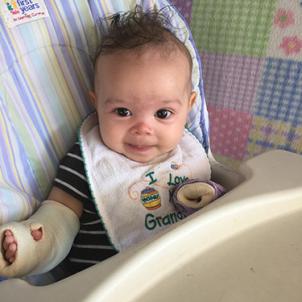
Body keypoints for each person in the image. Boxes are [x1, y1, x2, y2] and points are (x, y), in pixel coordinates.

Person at [0, 5, 223, 278]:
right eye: (122, 112)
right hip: (106, 286)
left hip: (182, 276)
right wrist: (34, 245)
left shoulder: (189, 153)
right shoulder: (87, 158)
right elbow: (60, 214)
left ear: (188, 108)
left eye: (163, 114)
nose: (142, 128)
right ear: (97, 104)